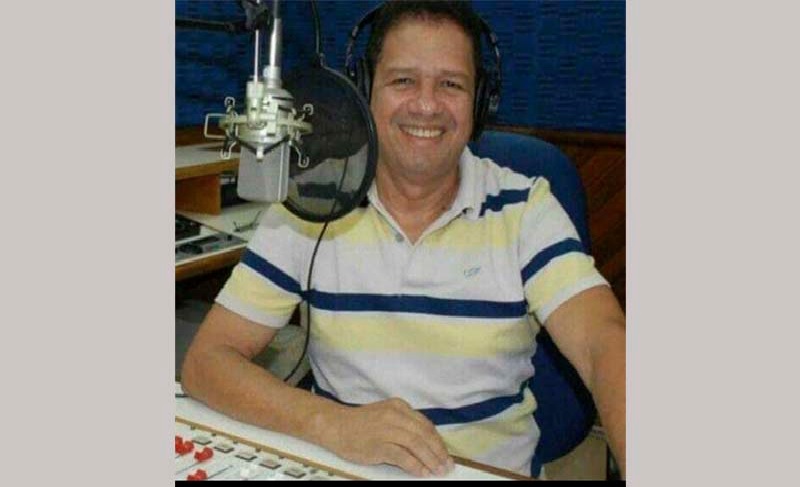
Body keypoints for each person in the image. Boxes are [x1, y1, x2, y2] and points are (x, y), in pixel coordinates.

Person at [181, 0, 625, 479]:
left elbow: (604, 343)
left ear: (480, 102)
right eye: (403, 80)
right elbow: (207, 362)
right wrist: (331, 423)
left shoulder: (526, 209)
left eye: (451, 84)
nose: (426, 105)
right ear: (365, 91)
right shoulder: (312, 202)